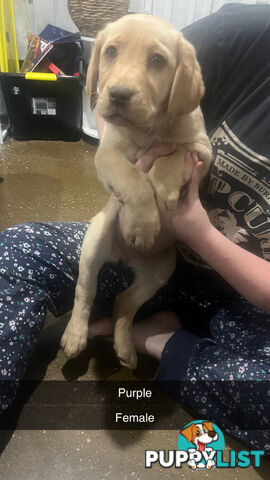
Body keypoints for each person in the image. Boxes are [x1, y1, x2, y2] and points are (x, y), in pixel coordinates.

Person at [0, 3, 269, 454]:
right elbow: (120, 100)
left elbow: (195, 146)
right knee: (12, 253)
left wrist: (194, 228)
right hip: (127, 234)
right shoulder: (250, 32)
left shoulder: (187, 111)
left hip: (236, 299)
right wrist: (138, 183)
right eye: (109, 56)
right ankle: (93, 311)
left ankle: (151, 334)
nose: (124, 78)